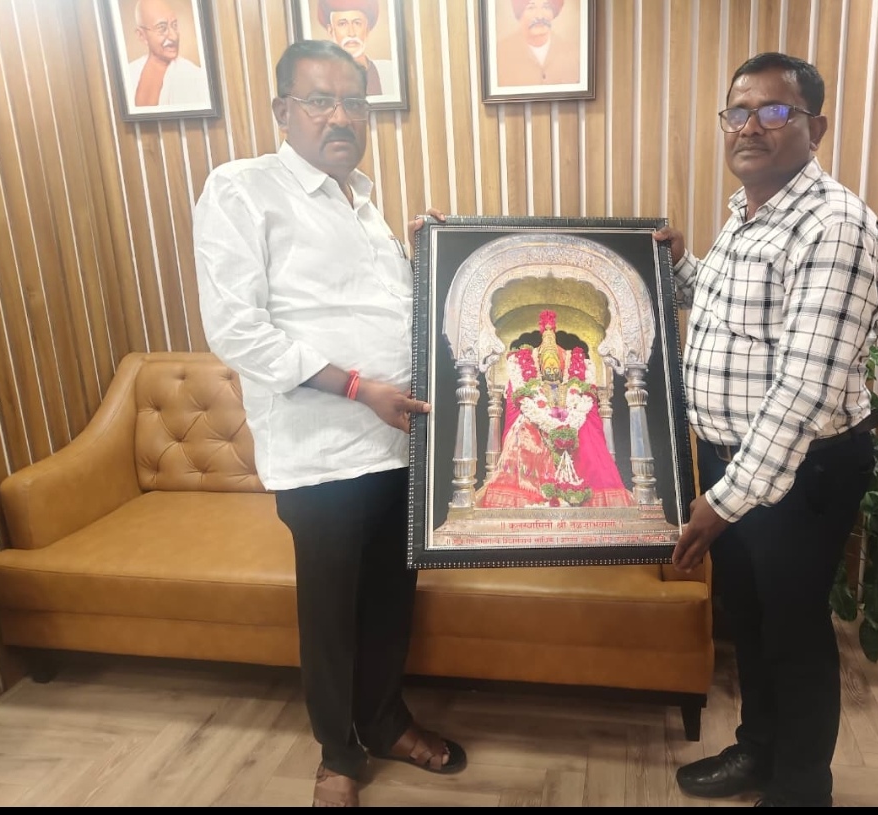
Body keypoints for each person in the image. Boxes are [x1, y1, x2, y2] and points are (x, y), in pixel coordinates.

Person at [192, 38, 464, 808]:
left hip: (398, 443)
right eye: (320, 100)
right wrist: (355, 386)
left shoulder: (365, 203)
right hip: (322, 454)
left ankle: (385, 721)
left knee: (389, 600)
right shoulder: (243, 190)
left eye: (354, 102)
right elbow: (237, 329)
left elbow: (388, 315)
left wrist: (431, 259)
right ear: (284, 110)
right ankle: (338, 754)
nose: (340, 117)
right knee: (332, 612)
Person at [654, 52, 878, 807]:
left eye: (775, 111)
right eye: (738, 111)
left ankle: (801, 788)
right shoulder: (748, 213)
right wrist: (678, 266)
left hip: (802, 470)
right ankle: (758, 750)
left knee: (792, 631)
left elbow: (805, 387)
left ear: (815, 128)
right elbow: (733, 316)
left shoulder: (835, 226)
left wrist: (724, 501)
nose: (751, 126)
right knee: (752, 623)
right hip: (737, 462)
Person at [476, 309, 635, 509]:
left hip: (572, 419)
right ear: (539, 368)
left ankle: (578, 490)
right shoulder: (527, 381)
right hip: (537, 419)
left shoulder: (573, 385)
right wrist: (545, 417)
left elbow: (582, 404)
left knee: (585, 429)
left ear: (562, 368)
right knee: (523, 427)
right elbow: (525, 404)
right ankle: (535, 492)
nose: (551, 371)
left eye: (555, 368)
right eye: (548, 368)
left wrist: (566, 416)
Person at [126, 0, 210, 108]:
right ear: (142, 36)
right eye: (162, 28)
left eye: (174, 25)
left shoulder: (196, 78)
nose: (174, 36)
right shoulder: (129, 74)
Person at [317, 0, 397, 99]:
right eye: (342, 24)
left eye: (357, 23)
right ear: (331, 31)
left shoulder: (389, 71)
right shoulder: (320, 77)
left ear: (367, 29)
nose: (351, 33)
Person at [496, 0, 580, 87]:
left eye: (546, 7)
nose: (540, 16)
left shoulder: (574, 53)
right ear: (519, 13)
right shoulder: (500, 53)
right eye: (531, 8)